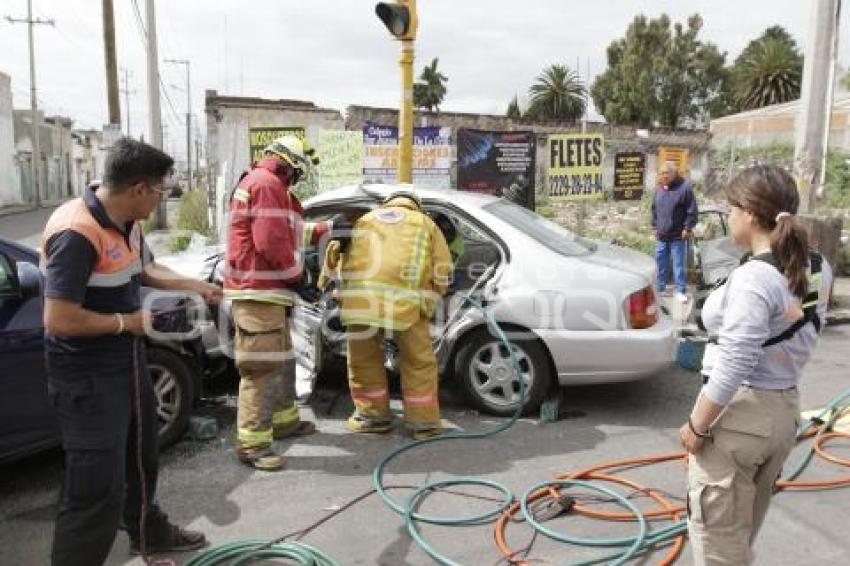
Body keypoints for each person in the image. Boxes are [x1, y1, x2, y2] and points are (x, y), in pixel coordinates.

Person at [42, 138, 221, 565]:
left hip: (126, 360)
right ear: (139, 188)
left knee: (140, 458)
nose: (163, 198)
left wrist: (194, 284)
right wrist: (129, 324)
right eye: (162, 190)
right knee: (95, 486)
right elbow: (59, 319)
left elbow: (146, 269)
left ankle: (149, 534)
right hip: (84, 375)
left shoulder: (127, 221)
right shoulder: (76, 232)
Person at [679, 165, 833, 565]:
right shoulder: (819, 267)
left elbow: (735, 361)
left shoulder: (753, 278)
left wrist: (697, 426)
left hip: (739, 420)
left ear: (749, 213)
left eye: (730, 208)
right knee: (741, 535)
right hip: (782, 411)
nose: (727, 216)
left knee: (720, 550)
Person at [224, 135, 332, 471]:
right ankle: (252, 445)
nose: (297, 179)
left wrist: (325, 228)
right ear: (287, 164)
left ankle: (284, 421)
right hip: (258, 293)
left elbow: (287, 230)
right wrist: (299, 280)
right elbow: (271, 242)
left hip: (267, 294)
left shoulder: (266, 185)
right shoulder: (267, 184)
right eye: (297, 172)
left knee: (282, 361)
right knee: (261, 370)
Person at [339, 191, 453, 439]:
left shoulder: (365, 220)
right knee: (418, 362)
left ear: (387, 203)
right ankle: (423, 424)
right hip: (407, 308)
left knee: (364, 362)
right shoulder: (425, 223)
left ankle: (372, 417)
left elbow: (341, 259)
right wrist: (432, 298)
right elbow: (442, 268)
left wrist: (339, 293)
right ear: (416, 206)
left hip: (362, 305)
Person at [651, 161, 698, 303]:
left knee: (678, 264)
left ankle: (680, 291)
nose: (663, 176)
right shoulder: (660, 188)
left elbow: (692, 211)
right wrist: (654, 226)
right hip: (661, 234)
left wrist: (687, 228)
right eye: (662, 173)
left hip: (678, 234)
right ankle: (660, 288)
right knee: (660, 261)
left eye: (666, 173)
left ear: (674, 173)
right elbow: (654, 209)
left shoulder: (685, 188)